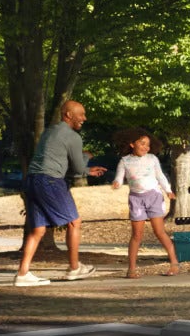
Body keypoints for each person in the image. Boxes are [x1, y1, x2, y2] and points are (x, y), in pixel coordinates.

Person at [13, 100, 107, 287]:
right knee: (74, 222)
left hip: (32, 180)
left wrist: (87, 170)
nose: (84, 118)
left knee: (38, 229)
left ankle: (22, 274)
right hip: (50, 181)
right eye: (81, 114)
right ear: (68, 115)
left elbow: (69, 168)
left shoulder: (50, 132)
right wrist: (87, 157)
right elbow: (78, 168)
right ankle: (74, 268)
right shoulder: (73, 137)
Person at [111, 127, 179, 278]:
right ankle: (132, 269)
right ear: (131, 144)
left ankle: (174, 263)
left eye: (147, 145)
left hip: (154, 196)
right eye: (142, 143)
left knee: (159, 231)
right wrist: (116, 183)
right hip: (136, 199)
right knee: (137, 235)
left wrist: (168, 190)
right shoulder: (125, 161)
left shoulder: (152, 159)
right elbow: (119, 177)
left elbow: (160, 176)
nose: (145, 147)